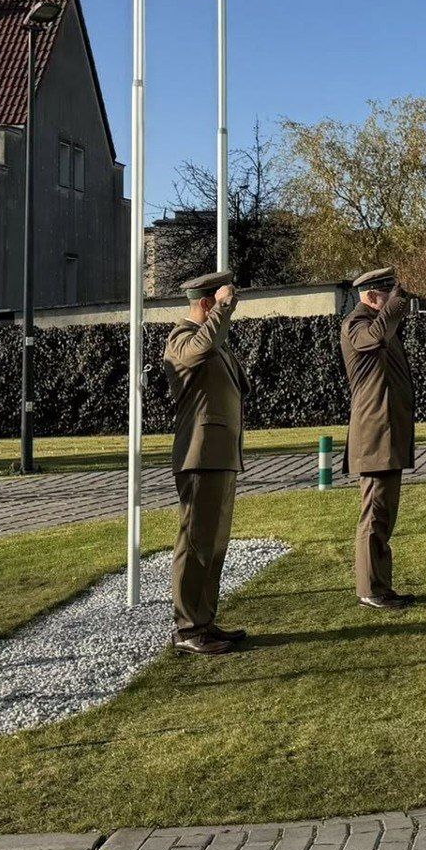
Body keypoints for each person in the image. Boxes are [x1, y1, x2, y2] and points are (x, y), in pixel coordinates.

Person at [163, 270, 249, 656]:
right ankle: (188, 628)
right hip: (199, 456)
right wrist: (223, 308)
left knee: (213, 545)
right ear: (205, 303)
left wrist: (221, 315)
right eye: (221, 300)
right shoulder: (181, 339)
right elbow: (199, 349)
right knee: (196, 543)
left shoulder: (214, 341)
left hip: (219, 454)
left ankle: (204, 621)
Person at [342, 267, 416, 610]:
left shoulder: (378, 324)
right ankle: (370, 590)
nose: (396, 300)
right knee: (374, 516)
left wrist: (394, 307)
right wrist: (394, 307)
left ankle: (380, 586)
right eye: (388, 294)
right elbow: (372, 338)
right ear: (372, 296)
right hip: (374, 436)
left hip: (386, 433)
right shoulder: (357, 324)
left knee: (383, 515)